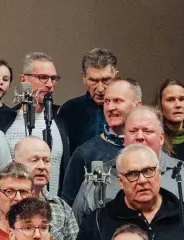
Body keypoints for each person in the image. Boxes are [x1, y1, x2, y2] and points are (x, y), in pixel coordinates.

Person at [73, 104, 184, 240]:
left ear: (162, 138)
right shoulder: (99, 177)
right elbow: (76, 229)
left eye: (147, 131)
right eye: (133, 131)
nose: (140, 136)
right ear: (124, 139)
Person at [0, 53, 68, 197]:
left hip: (51, 211)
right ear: (23, 79)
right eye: (43, 77)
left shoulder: (61, 120)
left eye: (53, 78)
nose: (50, 84)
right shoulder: (4, 120)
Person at [0, 136, 79, 240]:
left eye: (46, 161)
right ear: (16, 164)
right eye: (34, 160)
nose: (42, 166)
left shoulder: (61, 207)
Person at [59, 79, 139, 209]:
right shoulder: (85, 153)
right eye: (107, 101)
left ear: (137, 105)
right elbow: (69, 210)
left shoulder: (151, 148)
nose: (110, 108)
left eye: (118, 101)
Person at [56, 48, 119, 151]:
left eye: (106, 80)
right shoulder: (69, 110)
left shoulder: (128, 109)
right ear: (84, 78)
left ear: (115, 76)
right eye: (93, 80)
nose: (100, 88)